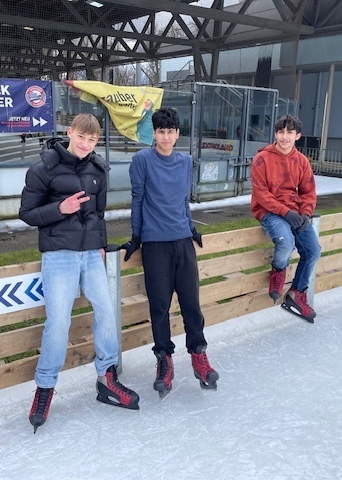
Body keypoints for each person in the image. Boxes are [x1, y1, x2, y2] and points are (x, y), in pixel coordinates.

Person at [19, 113, 139, 433]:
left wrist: (99, 244)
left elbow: (99, 214)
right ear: (69, 132)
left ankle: (107, 378)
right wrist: (60, 209)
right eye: (81, 137)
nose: (86, 144)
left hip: (91, 254)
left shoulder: (99, 169)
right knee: (59, 321)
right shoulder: (43, 168)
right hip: (59, 254)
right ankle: (44, 389)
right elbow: (26, 213)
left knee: (106, 312)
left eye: (92, 140)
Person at [122, 107, 219, 399]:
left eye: (171, 131)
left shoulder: (185, 161)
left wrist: (190, 228)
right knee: (159, 307)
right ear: (154, 134)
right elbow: (137, 199)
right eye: (161, 131)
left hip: (182, 243)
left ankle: (199, 355)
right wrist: (136, 236)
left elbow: (183, 200)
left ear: (177, 134)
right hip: (155, 245)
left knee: (192, 303)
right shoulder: (142, 160)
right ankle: (164, 360)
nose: (166, 137)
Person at [250, 114, 321, 323]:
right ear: (276, 133)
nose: (284, 137)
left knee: (313, 250)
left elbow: (309, 191)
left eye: (290, 132)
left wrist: (306, 213)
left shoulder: (301, 161)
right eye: (281, 132)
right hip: (269, 210)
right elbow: (261, 194)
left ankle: (296, 294)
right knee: (286, 242)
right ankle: (278, 271)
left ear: (297, 135)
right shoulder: (262, 159)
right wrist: (285, 212)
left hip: (295, 211)